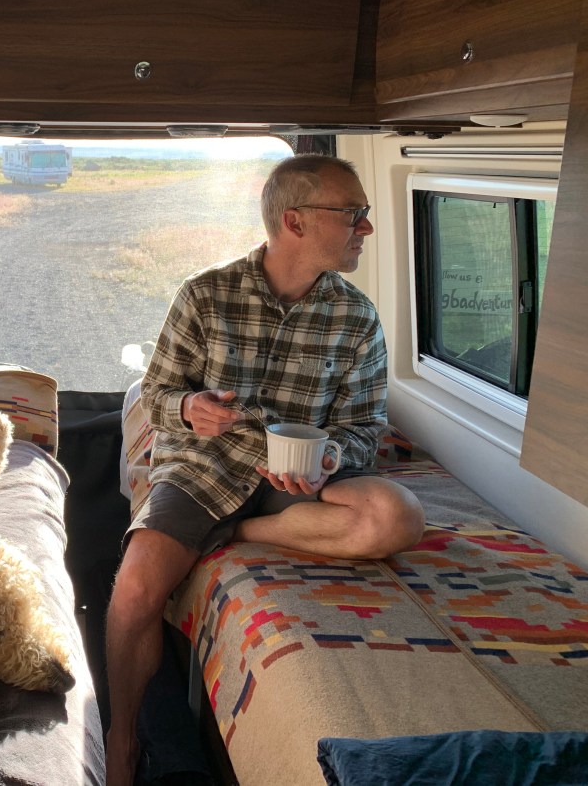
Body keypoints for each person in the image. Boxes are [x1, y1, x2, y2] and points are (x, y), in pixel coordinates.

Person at [103, 155, 426, 786]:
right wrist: (189, 408)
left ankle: (237, 534)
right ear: (294, 221)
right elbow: (157, 395)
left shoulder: (357, 318)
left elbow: (366, 427)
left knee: (398, 517)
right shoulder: (204, 295)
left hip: (298, 482)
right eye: (353, 213)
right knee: (135, 590)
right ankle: (122, 740)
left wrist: (330, 456)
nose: (365, 227)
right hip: (208, 467)